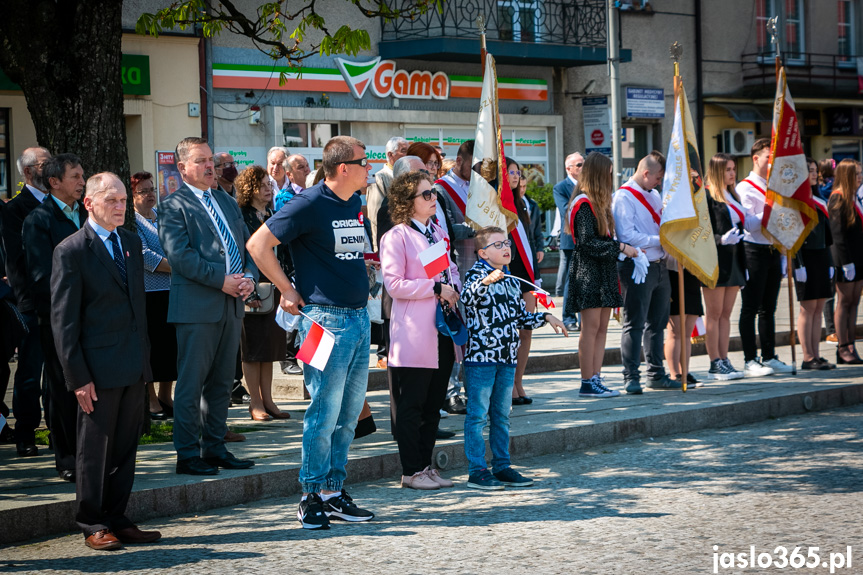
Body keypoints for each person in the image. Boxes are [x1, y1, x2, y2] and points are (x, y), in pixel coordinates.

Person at [247, 135, 376, 530]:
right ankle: (310, 495)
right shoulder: (308, 202)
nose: (369, 168)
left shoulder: (354, 202)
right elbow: (258, 244)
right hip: (323, 322)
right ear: (343, 168)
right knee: (323, 411)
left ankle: (334, 492)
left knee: (349, 414)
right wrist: (287, 290)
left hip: (358, 318)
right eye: (363, 161)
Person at [51, 172, 161, 551]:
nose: (119, 207)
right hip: (96, 371)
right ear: (89, 203)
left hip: (131, 366)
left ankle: (117, 516)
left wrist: (145, 365)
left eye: (122, 201)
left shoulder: (130, 243)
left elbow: (136, 310)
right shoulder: (72, 250)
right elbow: (64, 322)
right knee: (94, 451)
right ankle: (92, 521)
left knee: (125, 449)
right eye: (111, 200)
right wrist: (78, 377)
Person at [158, 137, 257, 476]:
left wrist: (249, 278)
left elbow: (247, 246)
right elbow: (180, 257)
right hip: (197, 308)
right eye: (200, 160)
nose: (209, 165)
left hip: (232, 305)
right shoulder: (173, 205)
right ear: (182, 167)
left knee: (221, 383)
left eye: (210, 159)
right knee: (191, 384)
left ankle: (214, 447)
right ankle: (187, 454)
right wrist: (222, 279)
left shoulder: (226, 202)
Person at [460, 226, 567, 490]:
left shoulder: (510, 279)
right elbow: (466, 297)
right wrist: (487, 281)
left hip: (507, 358)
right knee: (477, 416)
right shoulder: (476, 274)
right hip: (482, 359)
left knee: (501, 415)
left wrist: (545, 317)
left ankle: (502, 466)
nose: (506, 248)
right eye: (498, 245)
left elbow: (521, 317)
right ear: (483, 253)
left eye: (507, 243)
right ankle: (477, 471)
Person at [379, 171, 461, 490]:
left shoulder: (436, 231)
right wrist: (437, 287)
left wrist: (454, 285)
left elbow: (449, 268)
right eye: (426, 195)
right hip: (414, 332)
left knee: (433, 405)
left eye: (433, 193)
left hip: (442, 328)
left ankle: (426, 468)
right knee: (412, 405)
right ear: (407, 202)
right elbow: (394, 284)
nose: (433, 199)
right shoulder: (395, 236)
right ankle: (411, 471)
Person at [23, 153, 86, 480]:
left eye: (82, 176)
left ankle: (89, 454)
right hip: (59, 319)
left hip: (91, 318)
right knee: (62, 388)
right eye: (74, 176)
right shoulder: (40, 220)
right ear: (54, 182)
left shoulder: (88, 214)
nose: (81, 182)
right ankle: (66, 458)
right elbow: (42, 276)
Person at [564, 152, 638, 398]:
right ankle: (587, 381)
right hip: (588, 271)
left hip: (603, 270)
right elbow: (587, 243)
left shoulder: (597, 202)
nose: (611, 179)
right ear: (598, 174)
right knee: (591, 327)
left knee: (602, 328)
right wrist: (621, 247)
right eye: (608, 174)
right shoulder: (583, 203)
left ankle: (596, 376)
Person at [612, 151, 681, 393]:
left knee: (658, 323)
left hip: (660, 265)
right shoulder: (623, 197)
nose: (659, 182)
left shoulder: (655, 194)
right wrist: (660, 239)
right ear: (645, 173)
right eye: (658, 177)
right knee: (634, 323)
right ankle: (631, 376)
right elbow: (627, 236)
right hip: (637, 266)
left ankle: (656, 373)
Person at [2, 146, 51, 457]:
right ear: (30, 171)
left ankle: (59, 430)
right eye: (46, 164)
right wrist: (25, 306)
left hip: (62, 304)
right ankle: (26, 433)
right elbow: (15, 263)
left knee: (60, 374)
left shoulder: (63, 206)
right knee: (30, 373)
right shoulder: (15, 210)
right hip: (32, 306)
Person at [235, 165, 290, 420]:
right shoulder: (240, 215)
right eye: (263, 185)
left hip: (274, 286)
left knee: (270, 348)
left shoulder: (272, 213)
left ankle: (269, 400)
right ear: (250, 188)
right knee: (252, 349)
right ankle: (255, 402)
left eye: (270, 184)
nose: (269, 189)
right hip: (251, 287)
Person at [736, 138, 793, 376]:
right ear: (756, 158)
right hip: (753, 250)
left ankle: (769, 355)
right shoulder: (745, 187)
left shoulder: (775, 186)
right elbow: (748, 223)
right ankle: (751, 359)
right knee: (750, 307)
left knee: (769, 308)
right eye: (769, 158)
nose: (772, 163)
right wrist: (770, 209)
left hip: (772, 250)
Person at [432, 140, 477, 415]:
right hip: (455, 269)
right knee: (455, 334)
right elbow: (447, 230)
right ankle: (451, 393)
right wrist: (475, 228)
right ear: (459, 160)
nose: (476, 172)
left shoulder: (480, 187)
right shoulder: (441, 189)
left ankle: (475, 389)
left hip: (478, 268)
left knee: (472, 336)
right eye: (472, 165)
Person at [131, 171, 177, 419]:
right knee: (152, 347)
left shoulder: (161, 217)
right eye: (143, 191)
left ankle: (165, 395)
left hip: (171, 290)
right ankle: (150, 400)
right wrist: (178, 266)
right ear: (132, 195)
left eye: (152, 189)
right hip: (149, 293)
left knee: (170, 347)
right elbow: (145, 255)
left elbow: (176, 245)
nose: (150, 195)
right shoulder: (134, 222)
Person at [703, 153, 752, 380]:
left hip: (734, 260)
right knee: (713, 313)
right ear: (717, 171)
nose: (732, 173)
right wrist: (719, 239)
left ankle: (724, 359)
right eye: (727, 169)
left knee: (725, 314)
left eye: (733, 169)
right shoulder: (707, 197)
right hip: (715, 261)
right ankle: (715, 362)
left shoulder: (734, 195)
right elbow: (701, 233)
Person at [504, 158, 541, 404]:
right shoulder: (495, 204)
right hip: (505, 271)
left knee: (525, 330)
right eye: (510, 172)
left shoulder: (523, 204)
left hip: (526, 273)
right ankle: (507, 386)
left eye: (518, 172)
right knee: (509, 332)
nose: (515, 176)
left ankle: (519, 381)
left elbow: (529, 241)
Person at [793, 157, 835, 370]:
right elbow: (794, 235)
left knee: (819, 307)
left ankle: (817, 355)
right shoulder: (797, 200)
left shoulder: (819, 197)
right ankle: (807, 356)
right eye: (809, 170)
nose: (813, 174)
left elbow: (826, 235)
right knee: (807, 308)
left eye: (815, 171)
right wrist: (798, 263)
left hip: (821, 255)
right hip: (805, 257)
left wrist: (830, 261)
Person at [828, 158, 863, 364]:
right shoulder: (838, 198)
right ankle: (842, 347)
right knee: (844, 302)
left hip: (859, 258)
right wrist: (845, 262)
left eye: (860, 173)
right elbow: (838, 235)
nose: (860, 177)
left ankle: (851, 344)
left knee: (855, 302)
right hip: (846, 260)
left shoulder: (853, 197)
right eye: (856, 173)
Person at [553, 152, 584, 331]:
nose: (582, 167)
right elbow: (566, 209)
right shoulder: (561, 187)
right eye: (579, 165)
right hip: (571, 239)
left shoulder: (588, 185)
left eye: (583, 164)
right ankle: (568, 318)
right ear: (568, 168)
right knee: (572, 282)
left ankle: (584, 318)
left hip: (589, 240)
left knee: (586, 281)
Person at [367, 136, 408, 249]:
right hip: (388, 244)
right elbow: (375, 216)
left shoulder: (406, 178)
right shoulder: (379, 178)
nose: (407, 155)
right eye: (404, 151)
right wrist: (378, 248)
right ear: (390, 155)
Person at [267, 146, 292, 211]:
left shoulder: (293, 183)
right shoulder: (261, 184)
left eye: (279, 164)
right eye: (272, 163)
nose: (275, 168)